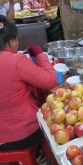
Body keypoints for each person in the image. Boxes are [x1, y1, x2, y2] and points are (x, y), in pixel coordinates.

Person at [0, 15, 57, 151]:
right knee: (55, 122)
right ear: (12, 42)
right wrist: (40, 55)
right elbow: (51, 81)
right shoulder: (16, 60)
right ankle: (43, 154)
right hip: (20, 134)